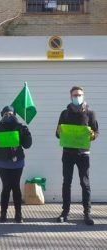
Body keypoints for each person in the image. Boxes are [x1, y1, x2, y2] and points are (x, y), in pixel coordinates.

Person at [56, 86, 98, 226]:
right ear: (70, 96)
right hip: (68, 153)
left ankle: (87, 214)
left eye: (79, 95)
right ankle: (65, 212)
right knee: (66, 183)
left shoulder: (90, 113)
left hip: (83, 154)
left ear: (83, 96)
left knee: (85, 184)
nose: (77, 97)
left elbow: (96, 132)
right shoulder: (65, 113)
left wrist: (93, 135)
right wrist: (59, 131)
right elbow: (57, 134)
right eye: (75, 95)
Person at [0, 105, 32, 223]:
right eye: (6, 114)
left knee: (16, 187)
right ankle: (3, 214)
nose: (8, 116)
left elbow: (27, 145)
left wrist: (27, 134)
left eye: (11, 114)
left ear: (15, 115)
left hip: (17, 162)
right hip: (1, 162)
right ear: (2, 115)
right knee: (6, 186)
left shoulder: (20, 127)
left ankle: (18, 214)